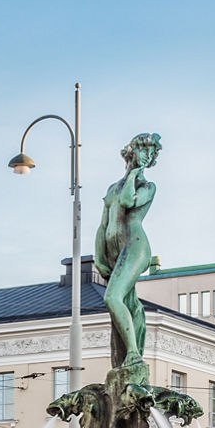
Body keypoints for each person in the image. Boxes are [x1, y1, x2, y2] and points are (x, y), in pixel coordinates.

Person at [94, 132, 162, 370]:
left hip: (135, 247)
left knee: (112, 297)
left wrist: (134, 173)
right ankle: (123, 357)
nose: (147, 156)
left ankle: (133, 354)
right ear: (132, 151)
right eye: (144, 150)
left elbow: (127, 202)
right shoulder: (112, 187)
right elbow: (103, 225)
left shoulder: (147, 186)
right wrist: (98, 257)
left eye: (151, 153)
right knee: (123, 302)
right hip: (114, 251)